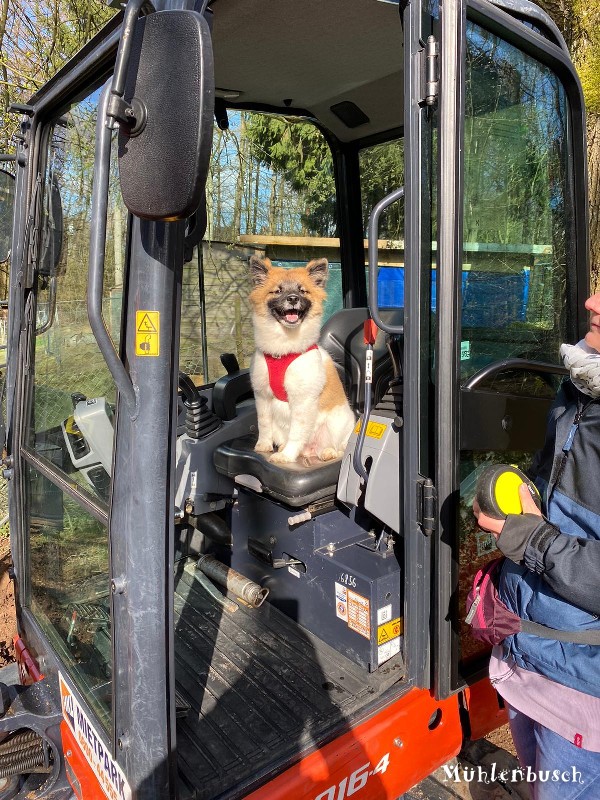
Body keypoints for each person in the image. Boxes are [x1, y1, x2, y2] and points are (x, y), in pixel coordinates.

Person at [474, 292, 600, 799]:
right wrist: (519, 496)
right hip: (530, 653)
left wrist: (529, 538)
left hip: (580, 686)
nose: (592, 300)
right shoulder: (580, 390)